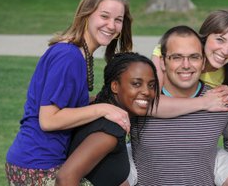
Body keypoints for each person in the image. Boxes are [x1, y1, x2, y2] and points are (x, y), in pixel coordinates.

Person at [5, 0, 133, 184]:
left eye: (118, 20)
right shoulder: (69, 56)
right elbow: (48, 120)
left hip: (43, 160)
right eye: (104, 16)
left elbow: (68, 104)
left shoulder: (80, 54)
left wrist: (109, 104)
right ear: (86, 14)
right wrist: (102, 108)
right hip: (36, 166)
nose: (111, 25)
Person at [132, 25, 228, 185]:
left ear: (203, 61)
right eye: (177, 57)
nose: (186, 65)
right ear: (163, 63)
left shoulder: (220, 100)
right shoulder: (141, 100)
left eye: (194, 57)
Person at [55, 52, 159, 185]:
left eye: (151, 85)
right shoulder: (108, 132)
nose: (147, 91)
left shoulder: (98, 108)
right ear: (115, 86)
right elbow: (65, 178)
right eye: (136, 84)